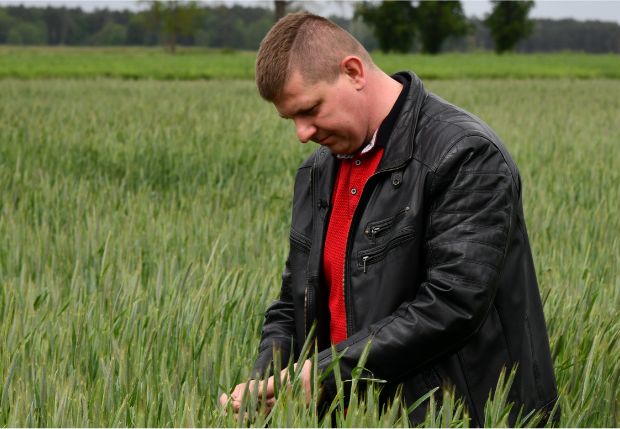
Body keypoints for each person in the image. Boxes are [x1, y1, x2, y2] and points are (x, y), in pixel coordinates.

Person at [219, 11, 559, 427]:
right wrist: (266, 383)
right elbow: (295, 301)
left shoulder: (465, 155)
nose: (302, 133)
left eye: (310, 110)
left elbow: (452, 305)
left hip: (454, 417)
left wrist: (326, 374)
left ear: (353, 72)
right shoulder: (317, 172)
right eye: (291, 119)